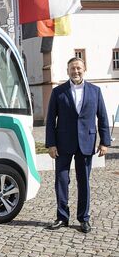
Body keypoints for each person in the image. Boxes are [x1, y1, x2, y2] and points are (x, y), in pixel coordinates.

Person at [45, 57, 110, 233]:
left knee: (84, 182)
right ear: (68, 71)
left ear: (84, 69)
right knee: (61, 180)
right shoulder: (58, 92)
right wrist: (51, 144)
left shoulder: (95, 91)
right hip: (63, 143)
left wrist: (105, 142)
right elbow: (50, 119)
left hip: (86, 143)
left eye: (78, 68)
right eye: (72, 69)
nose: (76, 71)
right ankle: (62, 217)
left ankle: (84, 218)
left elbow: (102, 117)